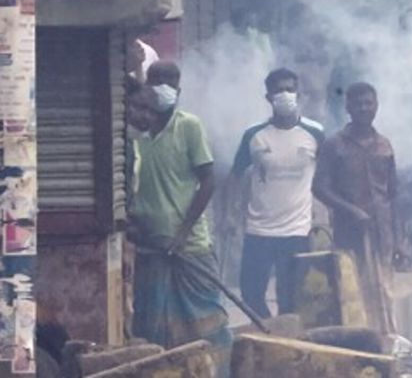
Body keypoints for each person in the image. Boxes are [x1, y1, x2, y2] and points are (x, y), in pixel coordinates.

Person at [126, 62, 231, 352]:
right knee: (153, 325)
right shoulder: (136, 134)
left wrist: (182, 234)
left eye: (170, 80)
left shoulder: (189, 126)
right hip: (150, 246)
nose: (163, 85)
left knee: (206, 321)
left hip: (190, 246)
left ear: (179, 89)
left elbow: (207, 181)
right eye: (156, 79)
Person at [231, 68, 324, 321]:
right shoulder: (254, 135)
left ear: (299, 94)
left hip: (297, 231)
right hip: (258, 230)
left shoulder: (315, 133)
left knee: (291, 298)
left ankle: (286, 347)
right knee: (250, 295)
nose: (285, 94)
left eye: (290, 89)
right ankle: (268, 332)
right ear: (268, 96)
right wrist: (232, 215)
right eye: (278, 90)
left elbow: (325, 177)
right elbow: (236, 175)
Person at [314, 82, 398, 333]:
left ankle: (386, 345)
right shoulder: (334, 145)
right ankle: (361, 346)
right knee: (354, 292)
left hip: (382, 234)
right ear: (348, 107)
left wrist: (402, 240)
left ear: (376, 106)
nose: (364, 108)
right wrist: (352, 211)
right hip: (349, 233)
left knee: (384, 292)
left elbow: (394, 195)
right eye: (358, 104)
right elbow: (319, 187)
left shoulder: (385, 145)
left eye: (369, 103)